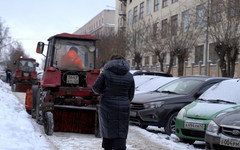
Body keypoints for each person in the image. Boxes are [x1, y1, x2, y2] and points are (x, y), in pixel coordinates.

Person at [92, 54, 135, 150]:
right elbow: (131, 95)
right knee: (121, 130)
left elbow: (95, 88)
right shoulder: (129, 76)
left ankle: (108, 147)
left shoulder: (105, 73)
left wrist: (103, 91)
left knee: (108, 130)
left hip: (107, 107)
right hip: (123, 108)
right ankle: (120, 147)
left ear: (110, 62)